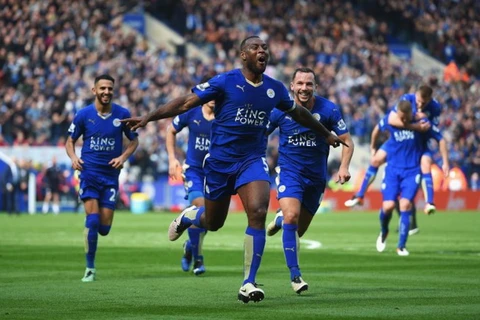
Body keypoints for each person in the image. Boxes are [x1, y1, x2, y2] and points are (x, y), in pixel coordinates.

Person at [122, 36, 346, 303]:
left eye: (265, 47)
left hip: (251, 160)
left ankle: (248, 283)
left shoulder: (274, 89)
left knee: (259, 212)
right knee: (214, 223)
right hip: (219, 163)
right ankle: (190, 217)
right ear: (243, 55)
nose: (262, 50)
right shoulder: (225, 81)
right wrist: (148, 117)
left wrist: (326, 134)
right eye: (255, 47)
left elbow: (299, 113)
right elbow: (184, 103)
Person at [265, 67, 354, 294]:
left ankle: (279, 219)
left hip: (316, 178)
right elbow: (259, 133)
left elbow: (347, 141)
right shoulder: (280, 108)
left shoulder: (329, 109)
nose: (304, 88)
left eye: (309, 84)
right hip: (289, 171)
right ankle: (295, 276)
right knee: (292, 217)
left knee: (297, 231)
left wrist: (344, 167)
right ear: (292, 86)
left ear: (315, 87)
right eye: (300, 84)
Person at [65, 74, 139, 282]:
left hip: (110, 176)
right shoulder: (83, 115)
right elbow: (69, 141)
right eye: (102, 88)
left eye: (109, 89)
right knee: (94, 220)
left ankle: (93, 226)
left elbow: (134, 142)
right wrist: (73, 158)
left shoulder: (122, 114)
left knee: (104, 229)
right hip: (89, 173)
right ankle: (90, 268)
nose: (106, 92)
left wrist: (123, 157)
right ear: (94, 90)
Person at [345, 85, 448, 222]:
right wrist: (415, 125)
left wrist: (445, 162)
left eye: (423, 103)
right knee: (375, 160)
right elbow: (391, 120)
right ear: (415, 94)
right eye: (417, 101)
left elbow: (433, 131)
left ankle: (429, 202)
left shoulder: (435, 108)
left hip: (419, 143)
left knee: (425, 163)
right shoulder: (406, 100)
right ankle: (359, 195)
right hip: (397, 142)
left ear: (430, 99)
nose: (419, 104)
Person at [374, 101, 448, 256]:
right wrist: (373, 147)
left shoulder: (422, 123)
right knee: (387, 206)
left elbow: (440, 137)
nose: (403, 120)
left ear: (410, 114)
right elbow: (377, 129)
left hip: (412, 171)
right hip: (393, 169)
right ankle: (384, 230)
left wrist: (444, 161)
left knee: (405, 205)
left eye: (405, 117)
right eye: (400, 117)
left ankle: (401, 246)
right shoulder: (392, 121)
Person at [166, 98, 215, 276]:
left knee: (210, 219)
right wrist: (172, 158)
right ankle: (199, 259)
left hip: (215, 175)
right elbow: (170, 130)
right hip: (193, 171)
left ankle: (189, 247)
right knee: (200, 208)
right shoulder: (191, 112)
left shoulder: (224, 115)